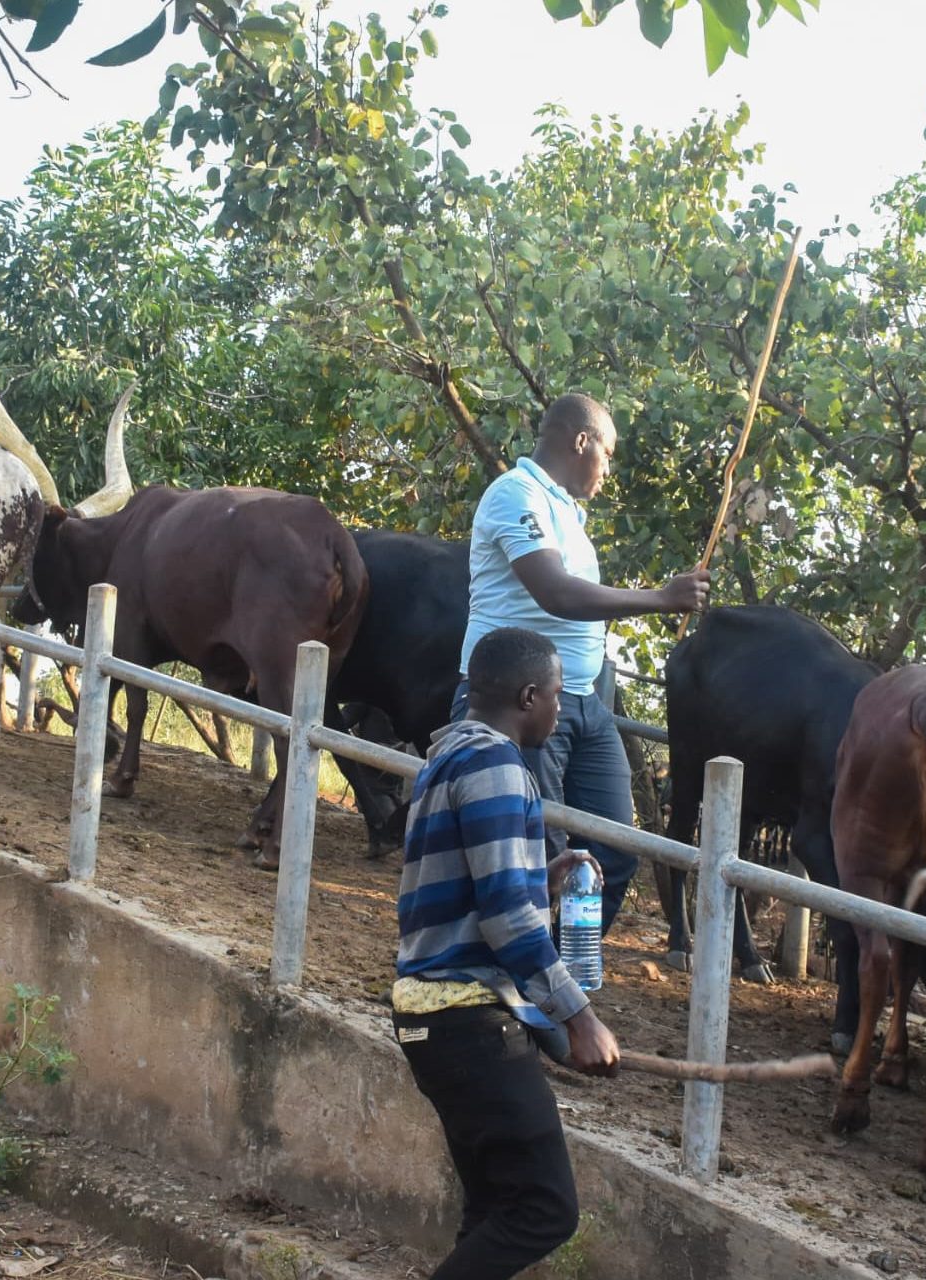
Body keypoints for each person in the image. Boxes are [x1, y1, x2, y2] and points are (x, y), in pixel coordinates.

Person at [395, 627, 623, 1280]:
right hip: (470, 1020)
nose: (560, 707)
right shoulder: (498, 766)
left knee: (493, 1210)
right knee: (544, 1209)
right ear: (530, 696)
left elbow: (462, 885)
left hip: (431, 1020)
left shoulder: (447, 756)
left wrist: (540, 875)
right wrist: (579, 1017)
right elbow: (506, 921)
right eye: (557, 694)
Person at [456, 391, 708, 930]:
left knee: (615, 850)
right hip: (519, 703)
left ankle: (563, 969)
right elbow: (557, 594)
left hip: (582, 702)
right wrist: (660, 599)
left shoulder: (567, 511)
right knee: (534, 854)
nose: (608, 470)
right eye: (608, 454)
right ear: (580, 440)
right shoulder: (515, 494)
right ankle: (530, 984)